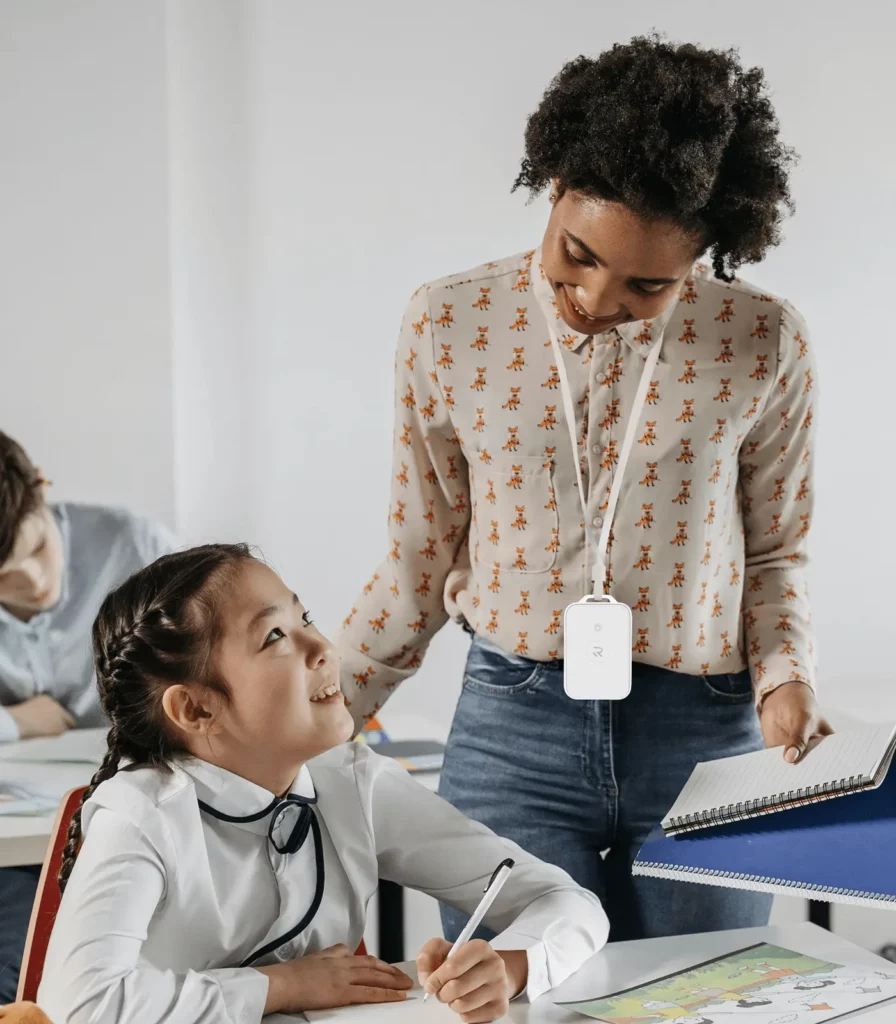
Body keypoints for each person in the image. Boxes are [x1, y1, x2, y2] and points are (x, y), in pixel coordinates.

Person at [337, 33, 831, 945]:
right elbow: (420, 557)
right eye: (577, 253)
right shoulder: (450, 323)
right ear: (554, 184)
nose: (598, 298)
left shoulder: (763, 341)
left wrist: (785, 681)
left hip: (704, 735)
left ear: (704, 256)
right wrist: (322, 712)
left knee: (690, 999)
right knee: (516, 999)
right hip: (512, 727)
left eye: (648, 283)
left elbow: (774, 554)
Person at [38, 544, 609, 1024]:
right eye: (274, 637)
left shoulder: (353, 782)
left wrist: (511, 966)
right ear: (196, 709)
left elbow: (566, 902)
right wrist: (283, 986)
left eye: (304, 618)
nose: (323, 650)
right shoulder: (142, 814)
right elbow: (79, 1006)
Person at [0, 431, 175, 1004]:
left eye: (37, 549)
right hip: (21, 846)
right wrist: (19, 722)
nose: (33, 582)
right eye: (2, 577)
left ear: (41, 488)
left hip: (137, 819)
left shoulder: (135, 546)